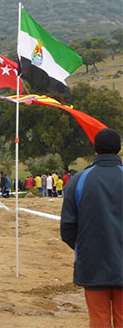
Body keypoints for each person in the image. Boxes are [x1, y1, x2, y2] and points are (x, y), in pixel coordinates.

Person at [61, 128, 122, 328]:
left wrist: (86, 249)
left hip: (92, 265)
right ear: (118, 149)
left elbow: (67, 229)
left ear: (95, 150)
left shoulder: (78, 181)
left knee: (98, 321)